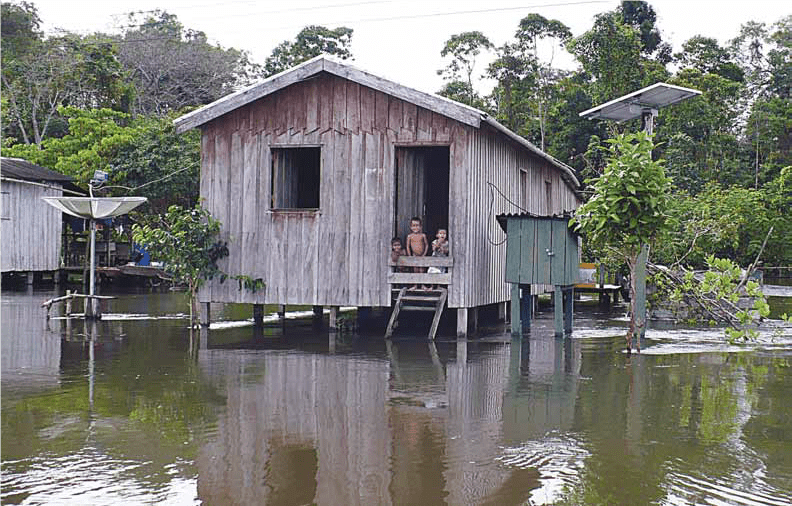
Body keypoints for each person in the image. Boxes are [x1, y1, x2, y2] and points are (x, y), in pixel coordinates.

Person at [406, 217, 428, 289]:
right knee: (415, 271)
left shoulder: (423, 235)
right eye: (414, 226)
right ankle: (415, 285)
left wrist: (424, 254)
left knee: (422, 270)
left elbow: (426, 245)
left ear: (421, 226)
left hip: (422, 256)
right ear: (411, 227)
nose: (416, 227)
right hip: (414, 256)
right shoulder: (410, 236)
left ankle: (422, 285)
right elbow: (408, 246)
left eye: (417, 225)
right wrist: (410, 256)